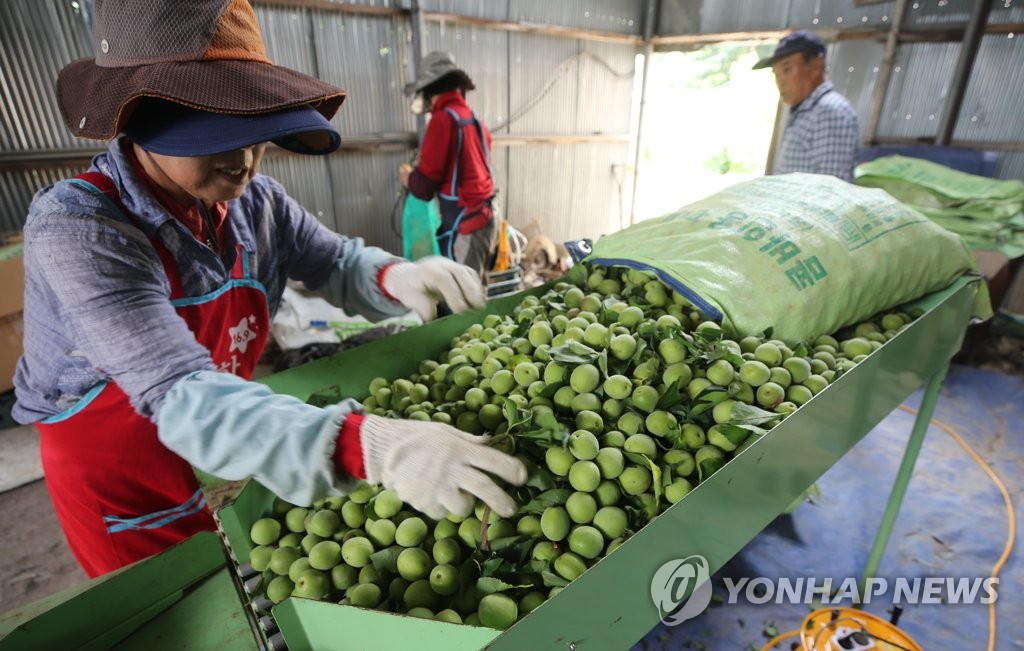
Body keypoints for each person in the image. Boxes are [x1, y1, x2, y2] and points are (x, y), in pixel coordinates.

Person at [12, 0, 525, 579]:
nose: (246, 160)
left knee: (245, 571)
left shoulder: (256, 203)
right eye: (218, 135)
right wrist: (370, 447)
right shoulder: (80, 226)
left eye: (256, 133)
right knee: (181, 606)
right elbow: (178, 390)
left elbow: (333, 261)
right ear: (141, 121)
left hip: (230, 431)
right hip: (126, 476)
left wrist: (394, 274)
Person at [399, 51, 499, 277]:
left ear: (429, 90)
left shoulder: (443, 120)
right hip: (486, 215)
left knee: (464, 297)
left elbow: (425, 186)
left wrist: (408, 179)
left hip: (467, 225)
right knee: (473, 286)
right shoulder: (473, 118)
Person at [754, 30, 860, 182]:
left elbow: (831, 191)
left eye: (787, 69)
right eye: (776, 74)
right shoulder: (805, 111)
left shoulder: (830, 111)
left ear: (816, 66)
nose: (780, 81)